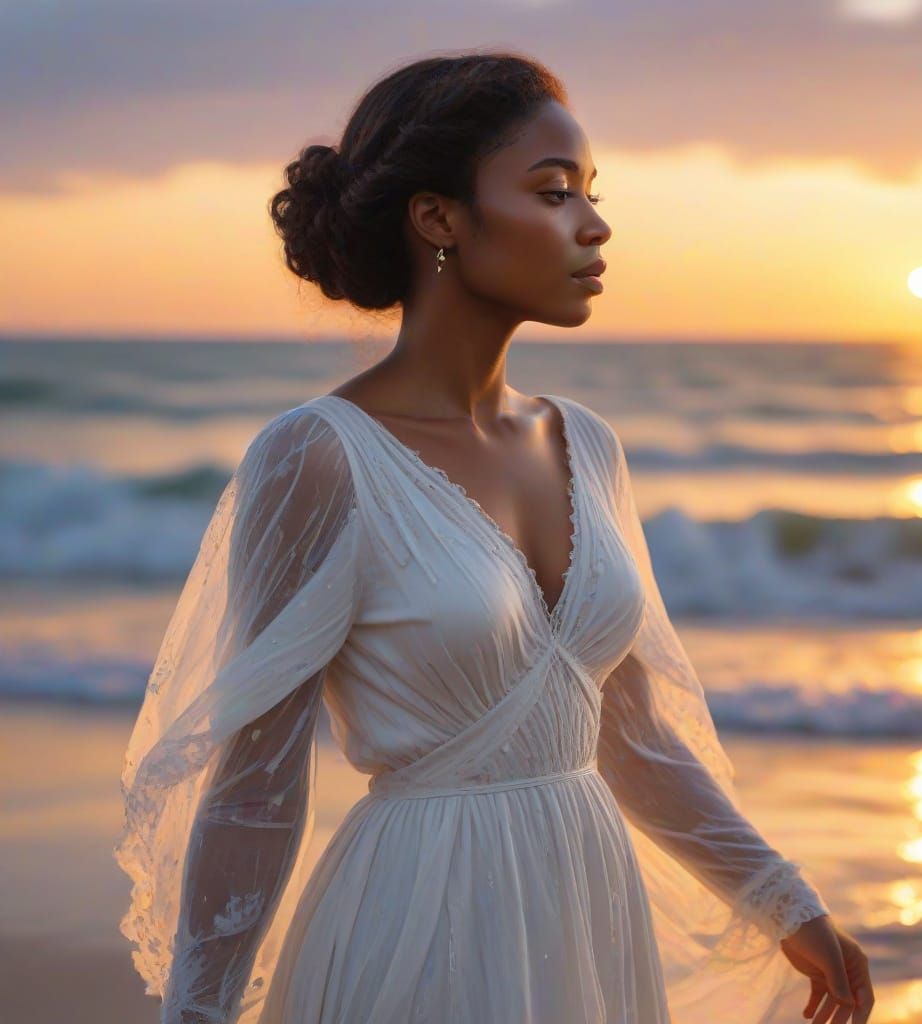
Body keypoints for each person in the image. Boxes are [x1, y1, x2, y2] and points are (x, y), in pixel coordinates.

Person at [114, 50, 875, 1024]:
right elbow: (255, 788)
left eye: (592, 194)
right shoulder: (318, 456)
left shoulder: (586, 444)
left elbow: (629, 732)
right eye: (554, 193)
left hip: (584, 920)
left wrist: (786, 903)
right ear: (437, 218)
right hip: (418, 920)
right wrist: (199, 1012)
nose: (594, 226)